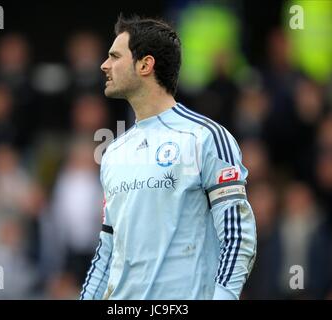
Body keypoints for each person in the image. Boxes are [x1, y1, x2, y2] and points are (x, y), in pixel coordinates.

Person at [80, 14, 257, 300]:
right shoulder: (113, 153)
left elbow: (238, 236)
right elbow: (107, 249)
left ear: (145, 64)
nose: (104, 65)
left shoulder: (206, 137)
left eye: (114, 56)